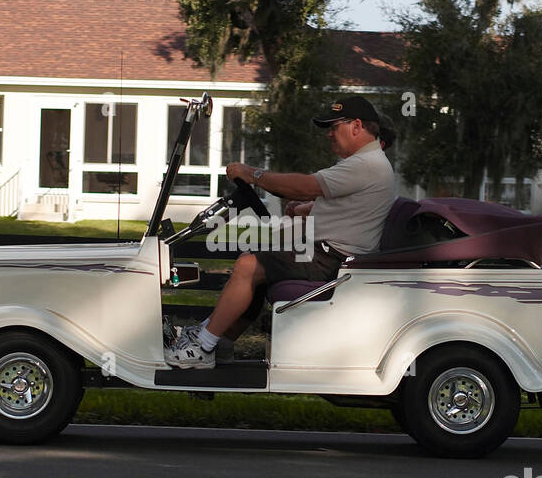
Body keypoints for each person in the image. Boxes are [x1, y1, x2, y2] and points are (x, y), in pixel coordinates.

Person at [165, 95, 397, 369]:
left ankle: (202, 347)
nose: (329, 135)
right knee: (257, 263)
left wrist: (253, 174)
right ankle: (219, 341)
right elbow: (349, 204)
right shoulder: (367, 163)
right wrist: (304, 209)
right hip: (326, 253)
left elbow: (305, 185)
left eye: (334, 127)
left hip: (333, 260)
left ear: (356, 126)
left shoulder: (365, 165)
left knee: (248, 266)